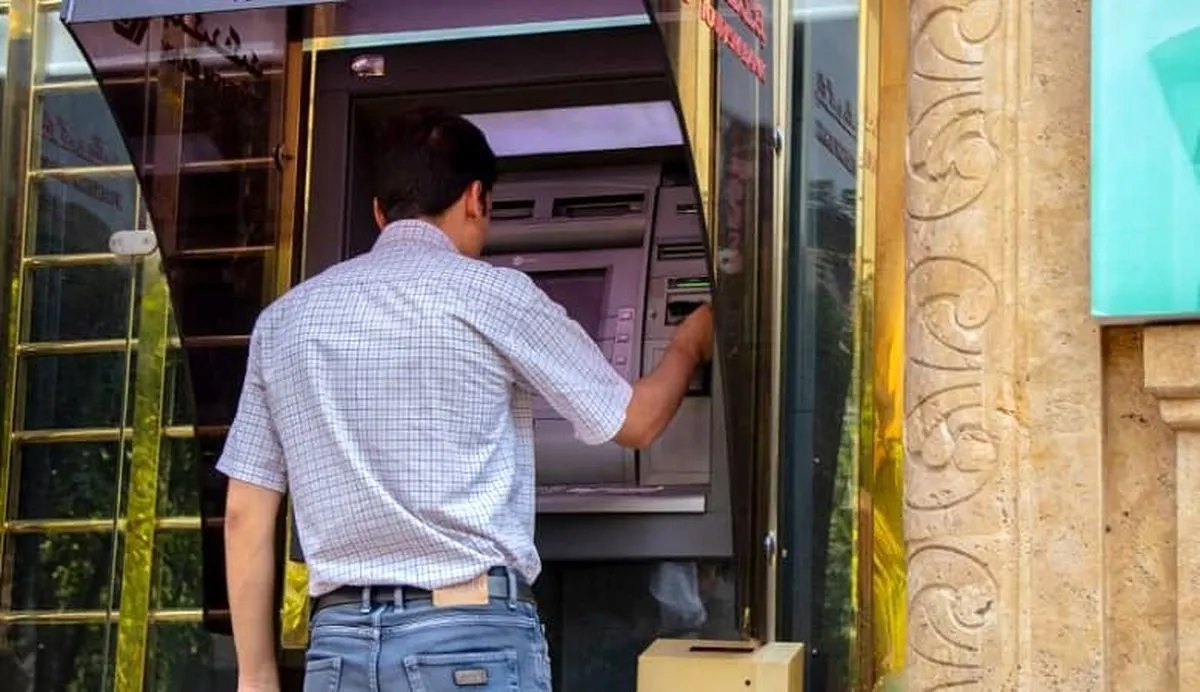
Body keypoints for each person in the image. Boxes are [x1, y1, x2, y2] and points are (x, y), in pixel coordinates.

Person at [216, 106, 714, 692]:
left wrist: (255, 676)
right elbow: (636, 421)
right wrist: (689, 342)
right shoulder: (496, 295)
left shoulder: (284, 321)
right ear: (476, 198)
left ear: (379, 212)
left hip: (338, 649)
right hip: (469, 640)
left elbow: (245, 513)